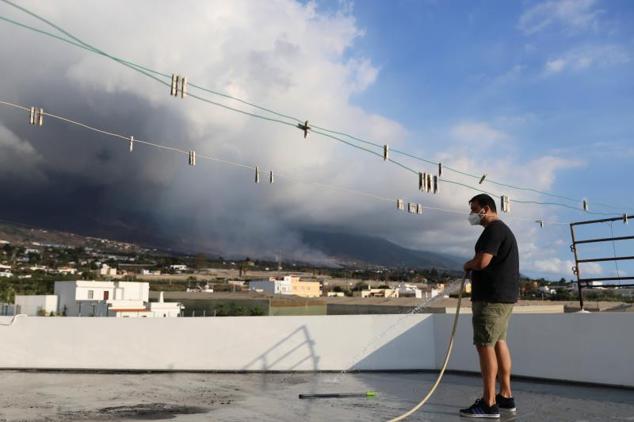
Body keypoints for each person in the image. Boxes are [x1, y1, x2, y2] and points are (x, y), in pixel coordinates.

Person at [459, 193, 519, 419]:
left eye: (474, 209)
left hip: (490, 300)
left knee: (485, 345)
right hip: (503, 299)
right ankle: (505, 396)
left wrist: (467, 264)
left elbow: (483, 261)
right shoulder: (503, 230)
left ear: (486, 208)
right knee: (499, 343)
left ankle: (489, 403)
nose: (472, 215)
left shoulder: (493, 230)